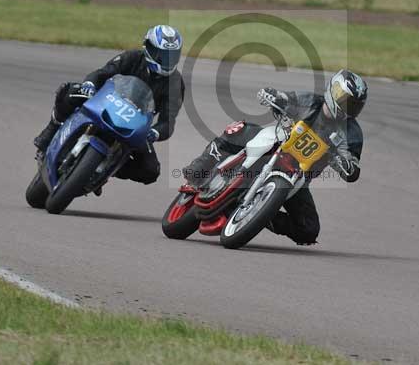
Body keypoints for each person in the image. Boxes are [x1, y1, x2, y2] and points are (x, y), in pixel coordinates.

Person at [183, 69, 367, 245]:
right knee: (238, 129)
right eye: (346, 100)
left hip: (298, 177)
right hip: (275, 144)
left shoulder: (352, 133)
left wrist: (347, 166)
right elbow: (286, 99)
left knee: (309, 229)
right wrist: (272, 96)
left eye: (355, 105)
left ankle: (259, 213)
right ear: (333, 91)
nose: (348, 108)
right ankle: (199, 168)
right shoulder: (311, 102)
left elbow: (352, 165)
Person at [34, 25, 185, 186]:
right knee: (69, 91)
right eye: (161, 55)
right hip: (107, 103)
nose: (166, 60)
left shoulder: (176, 84)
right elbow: (101, 74)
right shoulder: (133, 57)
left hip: (135, 126)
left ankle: (106, 169)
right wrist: (90, 85)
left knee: (150, 171)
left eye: (172, 56)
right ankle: (49, 134)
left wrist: (154, 132)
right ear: (148, 47)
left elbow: (168, 122)